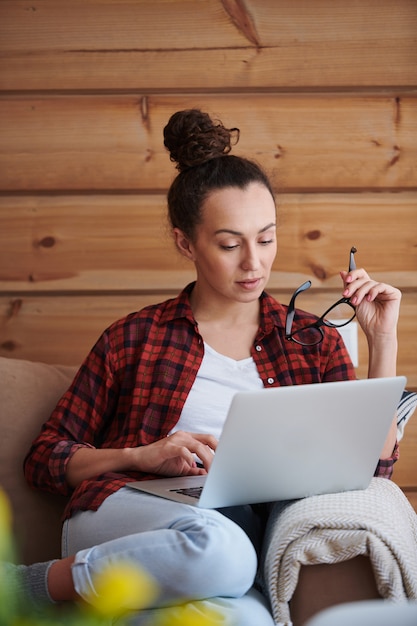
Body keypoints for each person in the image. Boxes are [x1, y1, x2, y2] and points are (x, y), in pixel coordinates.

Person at [8, 109, 401, 624]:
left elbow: (370, 467)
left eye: (265, 238)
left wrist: (382, 337)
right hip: (133, 512)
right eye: (230, 244)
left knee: (248, 617)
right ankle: (27, 588)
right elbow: (45, 459)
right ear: (185, 242)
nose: (254, 263)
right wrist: (143, 455)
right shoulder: (135, 337)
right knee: (226, 551)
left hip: (233, 543)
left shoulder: (313, 341)